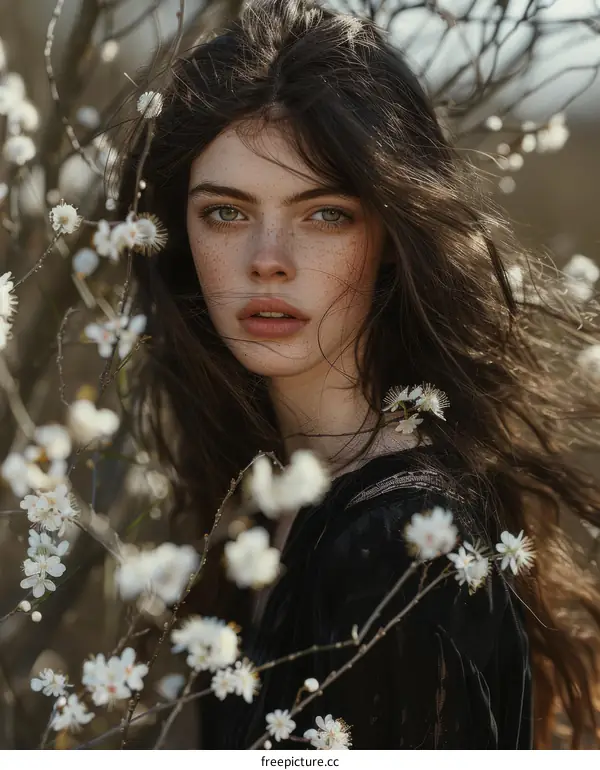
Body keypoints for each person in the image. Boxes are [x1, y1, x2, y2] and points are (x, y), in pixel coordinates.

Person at [117, 0, 600, 749]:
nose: (267, 258)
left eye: (325, 214)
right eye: (226, 213)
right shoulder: (256, 508)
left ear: (390, 239)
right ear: (178, 238)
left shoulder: (398, 544)